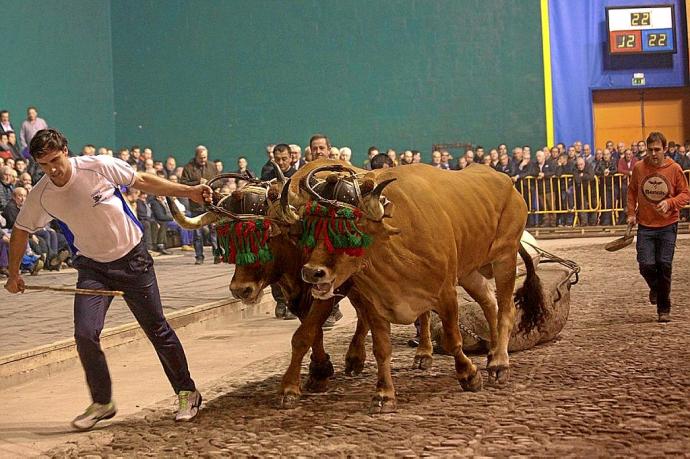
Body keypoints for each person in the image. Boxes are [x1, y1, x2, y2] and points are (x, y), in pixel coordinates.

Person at [4, 129, 209, 429]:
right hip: (93, 269)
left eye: (56, 160)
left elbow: (141, 181)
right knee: (85, 334)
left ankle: (187, 392)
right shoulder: (41, 195)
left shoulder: (97, 166)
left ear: (66, 151)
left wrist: (188, 191)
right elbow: (21, 230)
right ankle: (102, 402)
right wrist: (13, 274)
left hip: (133, 260)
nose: (52, 169)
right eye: (44, 164)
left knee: (157, 329)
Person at [627, 132, 689, 323]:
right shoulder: (639, 168)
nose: (653, 153)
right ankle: (656, 288)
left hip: (668, 224)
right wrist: (630, 213)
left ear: (665, 150)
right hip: (645, 225)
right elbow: (632, 191)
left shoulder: (675, 168)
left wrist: (670, 203)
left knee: (664, 265)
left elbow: (686, 194)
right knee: (645, 264)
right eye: (650, 150)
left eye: (657, 150)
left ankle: (664, 307)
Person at [180, 145, 218, 264]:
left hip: (210, 204)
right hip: (196, 205)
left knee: (214, 231)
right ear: (196, 156)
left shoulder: (212, 166)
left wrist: (210, 184)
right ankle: (199, 257)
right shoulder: (188, 168)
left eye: (205, 157)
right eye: (201, 158)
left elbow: (220, 181)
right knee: (197, 233)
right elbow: (183, 184)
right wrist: (198, 183)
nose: (203, 160)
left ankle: (217, 255)